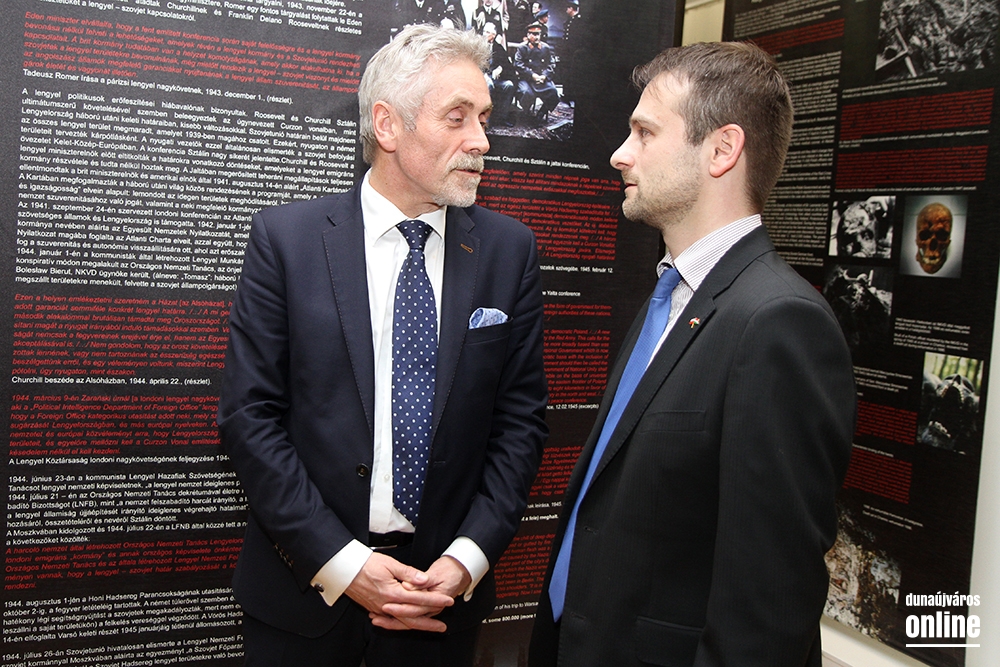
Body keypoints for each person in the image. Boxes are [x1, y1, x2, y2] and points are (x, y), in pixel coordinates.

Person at [218, 24, 548, 667]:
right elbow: (250, 418)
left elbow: (520, 423)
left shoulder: (509, 251)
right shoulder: (287, 241)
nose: (481, 141)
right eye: (457, 117)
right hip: (304, 602)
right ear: (388, 125)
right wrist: (344, 564)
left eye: (483, 119)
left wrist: (467, 558)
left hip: (438, 605)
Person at [529, 41, 856, 667]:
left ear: (722, 149)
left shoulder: (779, 323)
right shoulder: (674, 294)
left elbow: (766, 613)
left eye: (645, 132)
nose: (619, 154)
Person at [514, 22, 559, 124]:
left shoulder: (545, 48)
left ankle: (541, 113)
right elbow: (518, 64)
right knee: (526, 92)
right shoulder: (522, 48)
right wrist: (532, 75)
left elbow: (551, 64)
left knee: (553, 91)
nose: (537, 37)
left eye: (538, 34)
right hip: (527, 79)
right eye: (534, 34)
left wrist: (544, 76)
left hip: (541, 78)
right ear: (528, 35)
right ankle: (526, 112)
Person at [483, 22, 516, 126]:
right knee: (489, 85)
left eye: (487, 32)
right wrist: (483, 74)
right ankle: (486, 119)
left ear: (493, 35)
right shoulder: (477, 45)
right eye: (484, 31)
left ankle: (502, 117)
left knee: (509, 85)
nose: (484, 34)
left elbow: (507, 65)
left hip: (495, 78)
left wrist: (500, 68)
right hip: (481, 78)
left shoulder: (498, 48)